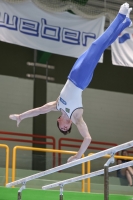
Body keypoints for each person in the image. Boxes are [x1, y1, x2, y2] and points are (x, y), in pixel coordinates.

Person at [9, 3, 132, 163]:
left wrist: (21, 116)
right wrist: (77, 156)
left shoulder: (57, 105)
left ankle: (125, 23)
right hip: (81, 80)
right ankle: (121, 16)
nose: (65, 128)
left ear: (59, 121)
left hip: (73, 73)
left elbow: (38, 111)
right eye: (67, 129)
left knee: (99, 47)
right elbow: (87, 138)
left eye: (62, 128)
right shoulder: (77, 117)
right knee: (97, 46)